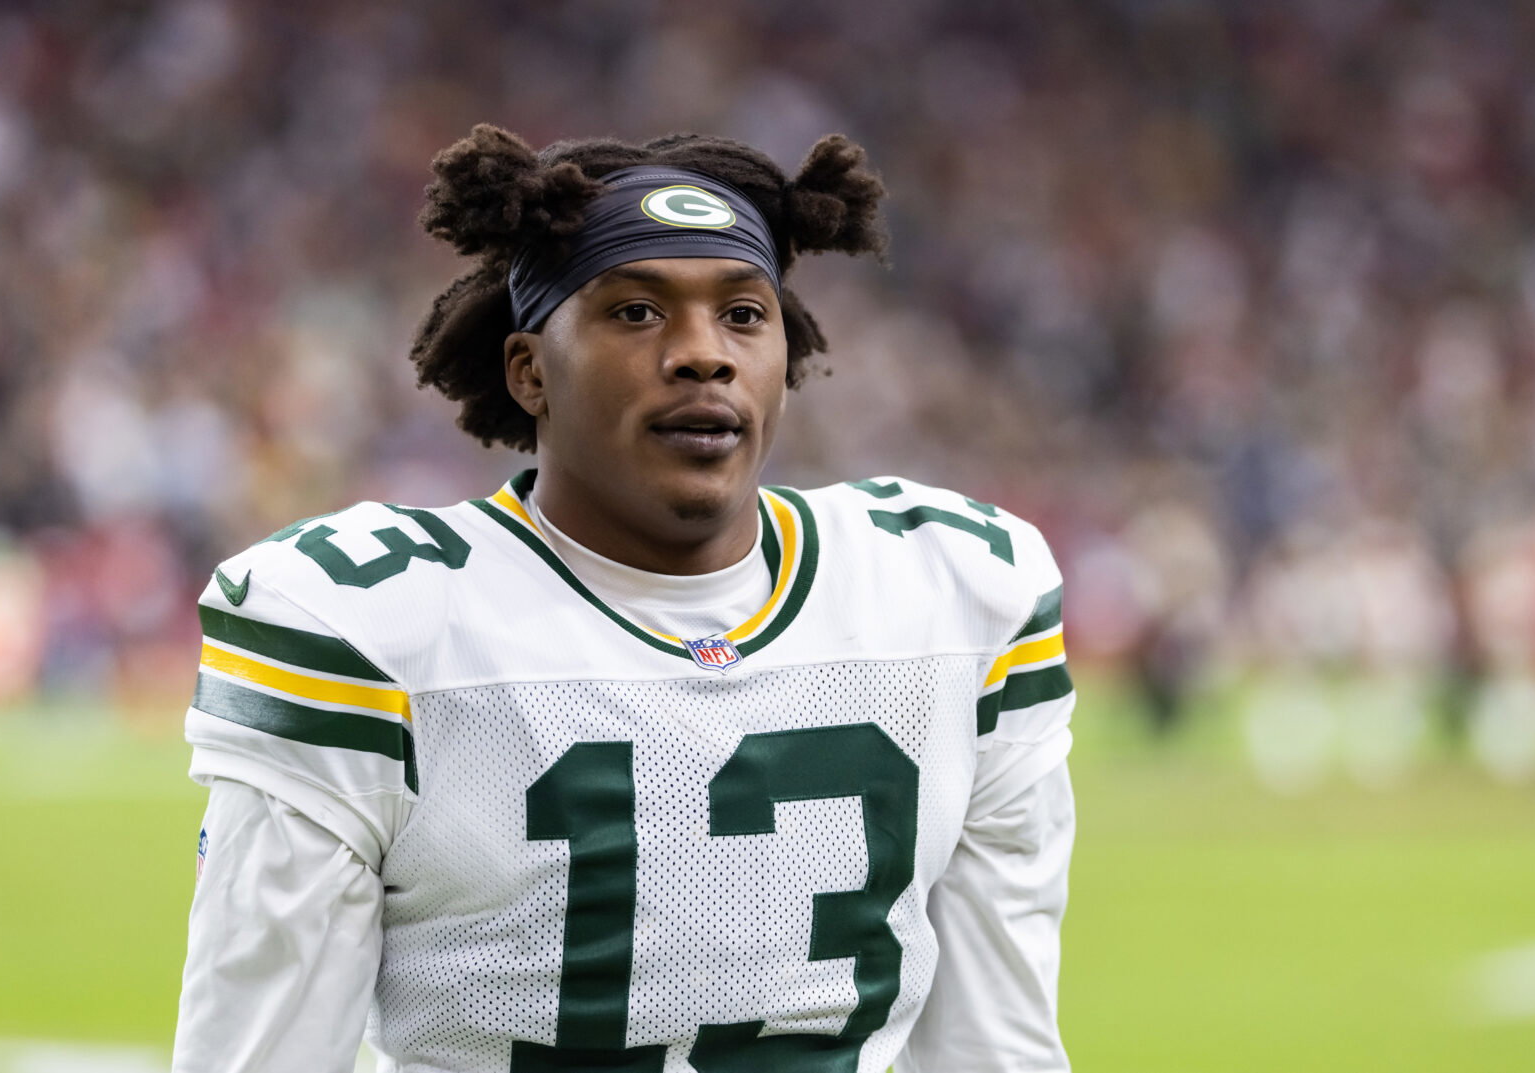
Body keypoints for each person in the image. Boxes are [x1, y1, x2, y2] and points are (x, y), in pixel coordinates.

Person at [172, 124, 1076, 1073]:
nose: (703, 355)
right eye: (637, 312)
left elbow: (997, 1049)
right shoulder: (364, 624)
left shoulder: (957, 588)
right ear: (530, 371)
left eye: (743, 313)